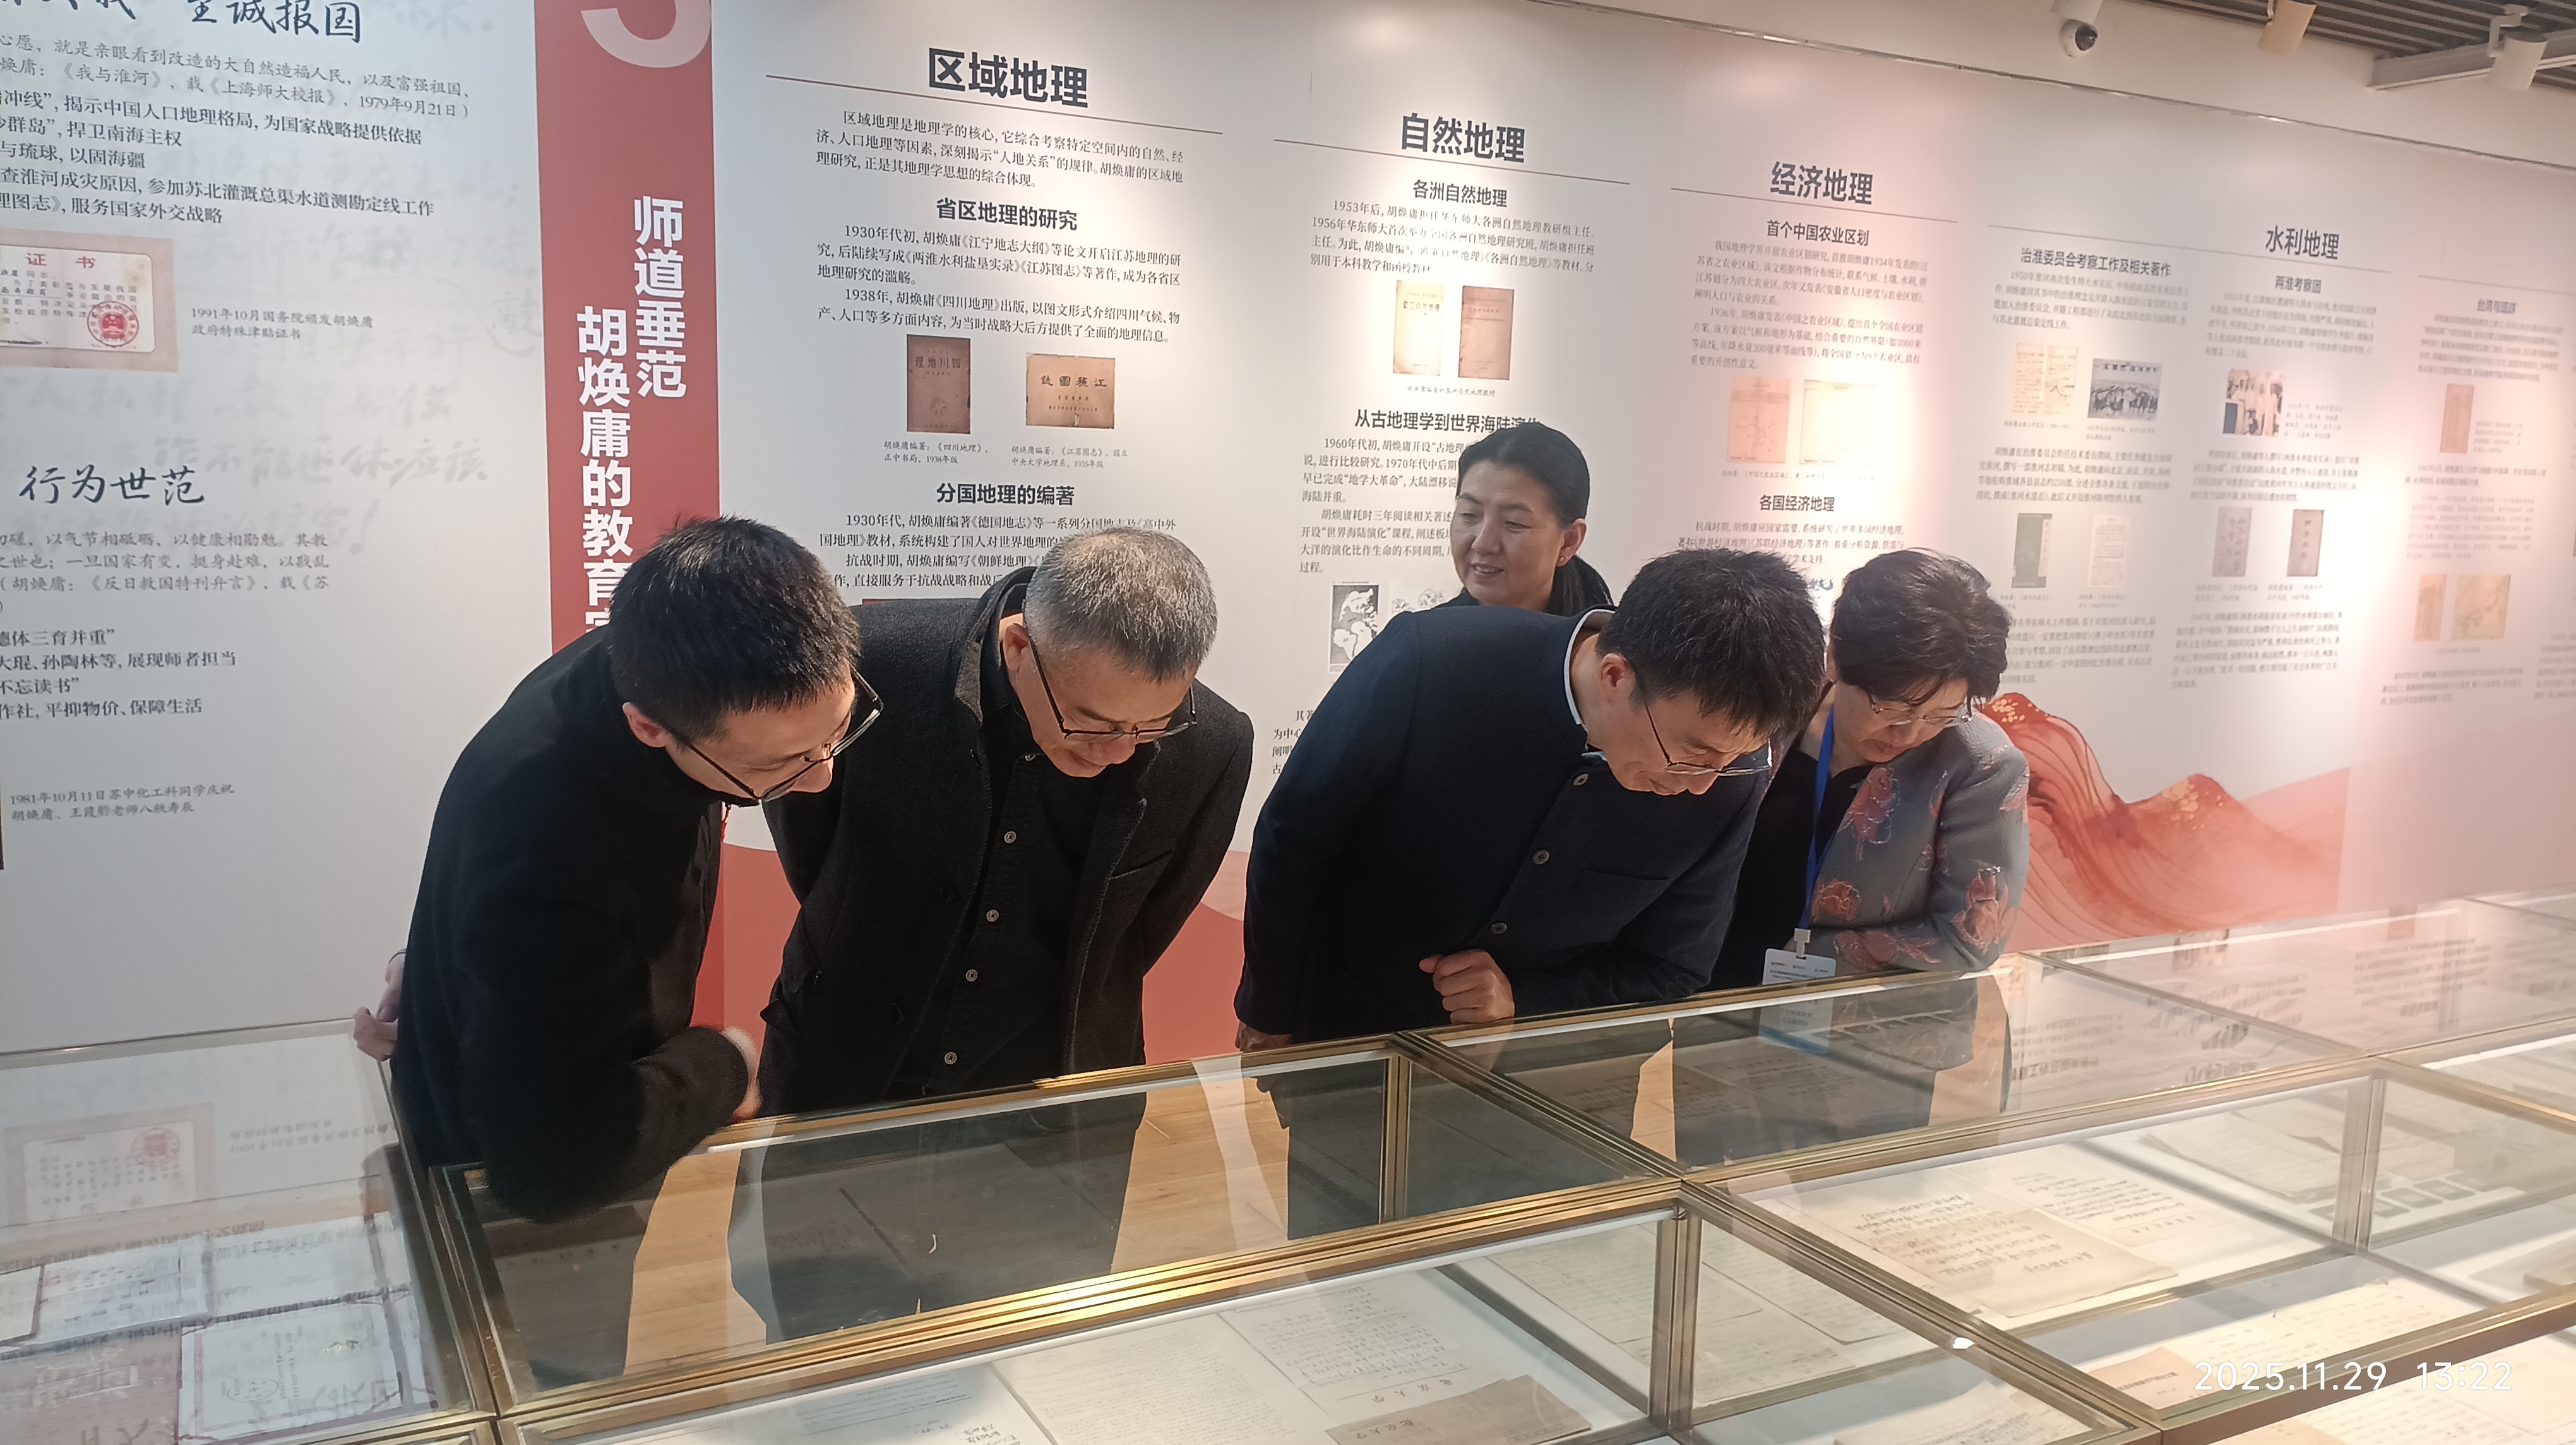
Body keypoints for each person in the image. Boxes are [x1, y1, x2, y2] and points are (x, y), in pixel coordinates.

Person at [369, 517, 864, 1386]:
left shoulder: (656, 652)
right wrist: (724, 1061)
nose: (822, 777)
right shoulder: (551, 836)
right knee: (548, 1380)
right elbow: (552, 1169)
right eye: (780, 766)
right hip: (518, 1199)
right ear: (649, 728)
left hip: (541, 1068)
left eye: (839, 731)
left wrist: (451, 962)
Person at [737, 527, 1253, 1341]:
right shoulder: (871, 666)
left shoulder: (1212, 744)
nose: (1118, 752)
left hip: (1046, 1107)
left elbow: (1141, 929)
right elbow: (814, 843)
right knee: (823, 1338)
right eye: (1090, 722)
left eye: (1149, 725)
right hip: (850, 1069)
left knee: (1018, 1349)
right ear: (1019, 645)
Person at [1237, 546, 1823, 1049]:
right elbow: (1296, 835)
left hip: (1565, 1082)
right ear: (1615, 677)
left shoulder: (1730, 776)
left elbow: (1672, 968)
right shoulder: (1431, 663)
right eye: (1691, 754)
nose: (1702, 784)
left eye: (1736, 757)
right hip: (1358, 1038)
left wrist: (1525, 999)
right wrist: (1270, 1010)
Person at [1712, 548, 2026, 990]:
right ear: (1835, 657)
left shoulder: (1981, 765)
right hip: (1715, 990)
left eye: (1942, 713)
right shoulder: (1778, 706)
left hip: (1867, 1015)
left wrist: (1818, 956)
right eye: (1893, 708)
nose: (1911, 733)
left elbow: (1971, 938)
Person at [1440, 422, 1614, 616]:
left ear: (1569, 541)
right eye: (1469, 514)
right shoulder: (1424, 632)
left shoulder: (1598, 635)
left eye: (1514, 523)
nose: (1483, 544)